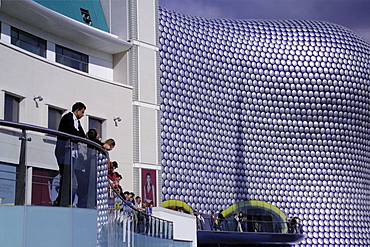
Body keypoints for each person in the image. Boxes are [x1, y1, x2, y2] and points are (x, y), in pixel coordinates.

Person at [54, 102, 86, 207]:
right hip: (64, 151)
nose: (83, 114)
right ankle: (61, 200)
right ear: (77, 110)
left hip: (72, 152)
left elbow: (82, 134)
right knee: (66, 175)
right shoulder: (67, 118)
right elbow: (72, 132)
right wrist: (77, 135)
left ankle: (63, 199)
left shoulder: (77, 122)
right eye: (82, 112)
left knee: (69, 176)